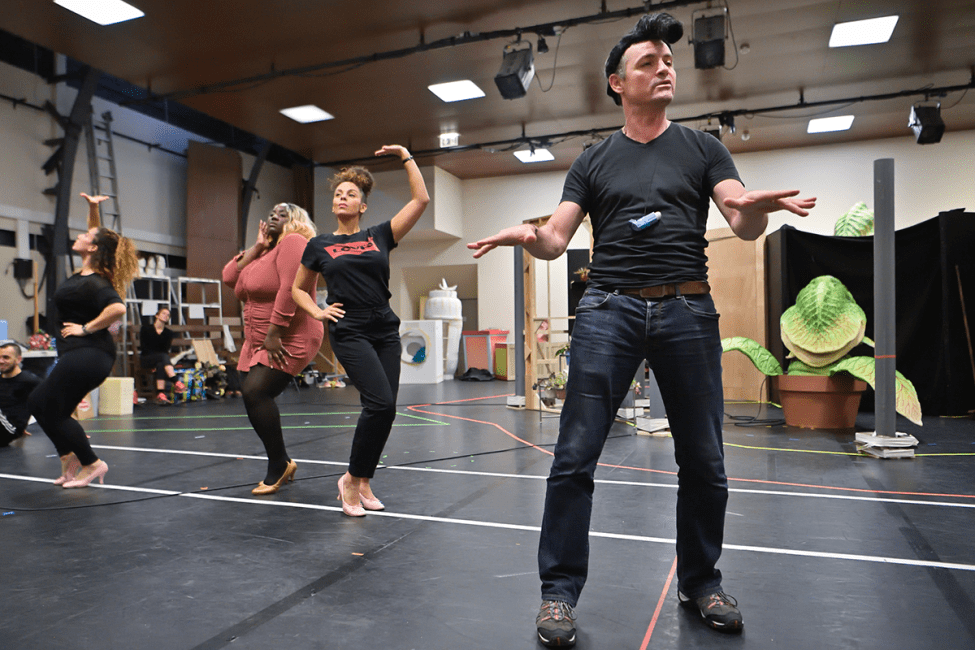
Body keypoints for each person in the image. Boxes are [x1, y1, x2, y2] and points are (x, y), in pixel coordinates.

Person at [469, 13, 816, 646]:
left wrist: (758, 212)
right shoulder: (594, 159)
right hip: (609, 310)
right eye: (648, 62)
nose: (664, 68)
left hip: (687, 309)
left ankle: (701, 582)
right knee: (574, 458)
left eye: (667, 61)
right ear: (616, 84)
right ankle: (557, 595)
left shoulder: (705, 148)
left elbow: (738, 217)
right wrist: (530, 236)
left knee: (706, 461)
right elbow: (555, 238)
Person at [292, 145, 429, 517]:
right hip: (349, 329)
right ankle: (350, 480)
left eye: (350, 194)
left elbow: (421, 199)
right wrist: (318, 312)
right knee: (379, 403)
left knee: (388, 411)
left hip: (384, 326)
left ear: (362, 206)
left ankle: (364, 479)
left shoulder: (379, 235)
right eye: (338, 193)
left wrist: (405, 155)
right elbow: (296, 289)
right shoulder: (318, 245)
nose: (342, 197)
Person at [28, 193, 139, 487]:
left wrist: (86, 328)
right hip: (80, 354)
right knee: (44, 406)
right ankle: (70, 457)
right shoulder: (91, 271)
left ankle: (91, 463)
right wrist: (93, 209)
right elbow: (98, 238)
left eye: (85, 234)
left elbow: (117, 308)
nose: (80, 235)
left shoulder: (97, 281)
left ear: (92, 248)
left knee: (43, 403)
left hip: (90, 352)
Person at [222, 203, 323, 495]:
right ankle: (282, 461)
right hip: (257, 339)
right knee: (251, 394)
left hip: (289, 333)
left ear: (294, 220)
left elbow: (289, 288)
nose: (272, 217)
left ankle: (278, 464)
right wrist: (256, 247)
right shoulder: (265, 254)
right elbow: (230, 277)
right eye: (270, 214)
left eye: (281, 214)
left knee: (256, 391)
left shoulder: (295, 242)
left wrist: (275, 332)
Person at [139, 306, 185, 404]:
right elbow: (144, 348)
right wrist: (155, 359)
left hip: (160, 360)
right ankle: (175, 381)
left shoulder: (168, 333)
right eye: (163, 313)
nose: (166, 316)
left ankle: (161, 394)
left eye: (168, 315)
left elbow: (165, 350)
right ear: (157, 315)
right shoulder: (146, 329)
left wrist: (157, 361)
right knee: (163, 358)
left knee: (161, 364)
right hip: (146, 358)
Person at [0, 342, 42, 446]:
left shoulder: (30, 380)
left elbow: (55, 401)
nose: (1, 361)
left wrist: (70, 430)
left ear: (18, 359)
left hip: (10, 429)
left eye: (6, 357)